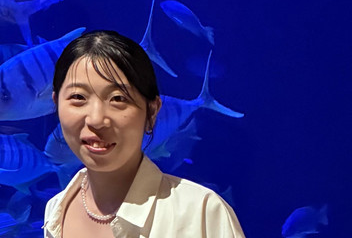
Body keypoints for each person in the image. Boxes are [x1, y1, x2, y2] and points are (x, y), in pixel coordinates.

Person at [44, 30, 246, 237]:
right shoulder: (55, 210)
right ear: (56, 105)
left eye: (118, 98)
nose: (95, 119)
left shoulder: (202, 214)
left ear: (151, 113)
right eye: (78, 97)